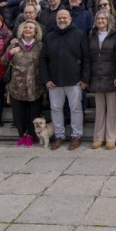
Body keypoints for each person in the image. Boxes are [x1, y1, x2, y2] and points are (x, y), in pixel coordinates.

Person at [41, 10, 91, 149]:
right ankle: (59, 136)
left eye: (64, 17)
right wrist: (46, 79)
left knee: (75, 109)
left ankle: (76, 136)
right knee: (56, 109)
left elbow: (87, 58)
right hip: (54, 81)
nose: (62, 20)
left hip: (75, 80)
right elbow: (43, 59)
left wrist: (85, 79)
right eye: (59, 18)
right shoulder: (49, 36)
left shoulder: (79, 34)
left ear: (70, 19)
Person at [2, 20, 44, 147]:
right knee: (18, 113)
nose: (28, 30)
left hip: (34, 85)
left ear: (36, 31)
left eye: (31, 28)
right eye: (26, 28)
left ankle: (31, 135)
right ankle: (22, 135)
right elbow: (3, 61)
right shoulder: (14, 44)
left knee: (34, 112)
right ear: (22, 30)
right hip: (16, 85)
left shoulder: (40, 46)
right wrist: (10, 53)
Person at [89, 10, 116, 150]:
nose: (101, 21)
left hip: (111, 76)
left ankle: (111, 138)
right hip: (96, 76)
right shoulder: (91, 35)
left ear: (108, 20)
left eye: (103, 18)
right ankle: (98, 137)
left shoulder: (115, 36)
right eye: (98, 18)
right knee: (100, 109)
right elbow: (88, 58)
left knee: (112, 109)